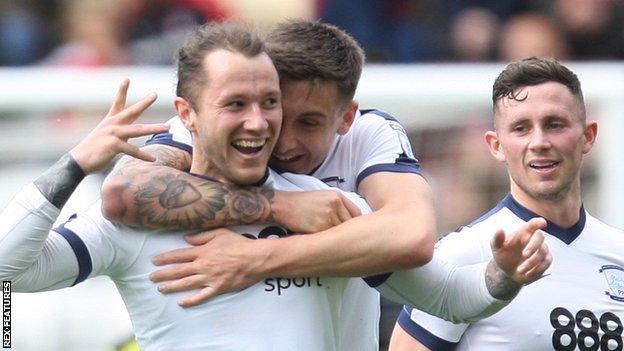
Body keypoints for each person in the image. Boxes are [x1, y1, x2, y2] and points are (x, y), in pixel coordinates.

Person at [0, 23, 547, 351]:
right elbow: (9, 272)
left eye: (270, 103)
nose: (260, 123)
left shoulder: (332, 209)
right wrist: (73, 163)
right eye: (235, 105)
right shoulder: (139, 216)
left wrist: (502, 277)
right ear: (186, 115)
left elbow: (453, 298)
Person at [388, 57, 624, 351]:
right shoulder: (464, 253)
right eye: (521, 128)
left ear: (588, 137)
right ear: (496, 146)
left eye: (554, 124)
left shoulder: (617, 252)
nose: (539, 142)